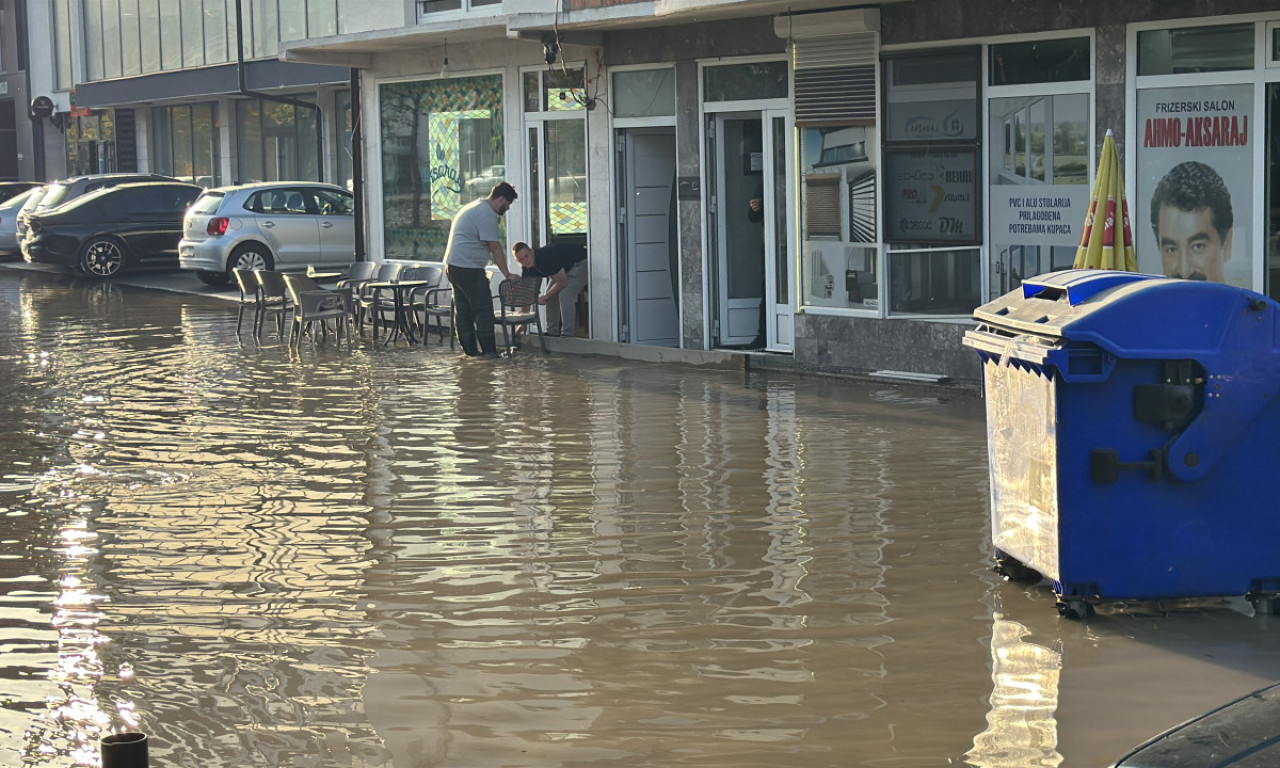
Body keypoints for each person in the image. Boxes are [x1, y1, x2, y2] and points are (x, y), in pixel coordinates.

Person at [444, 182, 519, 356]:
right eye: (507, 205)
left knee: (463, 312)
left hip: (453, 266)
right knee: (483, 311)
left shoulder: (474, 206)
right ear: (501, 200)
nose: (506, 209)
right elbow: (495, 247)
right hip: (468, 268)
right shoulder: (486, 214)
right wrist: (507, 274)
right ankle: (490, 354)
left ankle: (470, 354)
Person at [1149, 161, 1233, 282]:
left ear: (1226, 245)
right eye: (1171, 249)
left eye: (1198, 247)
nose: (1184, 272)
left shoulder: (1250, 301)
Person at [511, 240, 588, 337]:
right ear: (518, 261)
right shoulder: (527, 269)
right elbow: (528, 294)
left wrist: (545, 297)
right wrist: (523, 323)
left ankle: (567, 335)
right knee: (551, 294)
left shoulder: (544, 257)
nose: (526, 261)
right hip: (563, 270)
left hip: (580, 262)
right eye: (521, 259)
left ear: (532, 251)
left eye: (527, 256)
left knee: (565, 294)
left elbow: (563, 282)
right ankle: (552, 332)